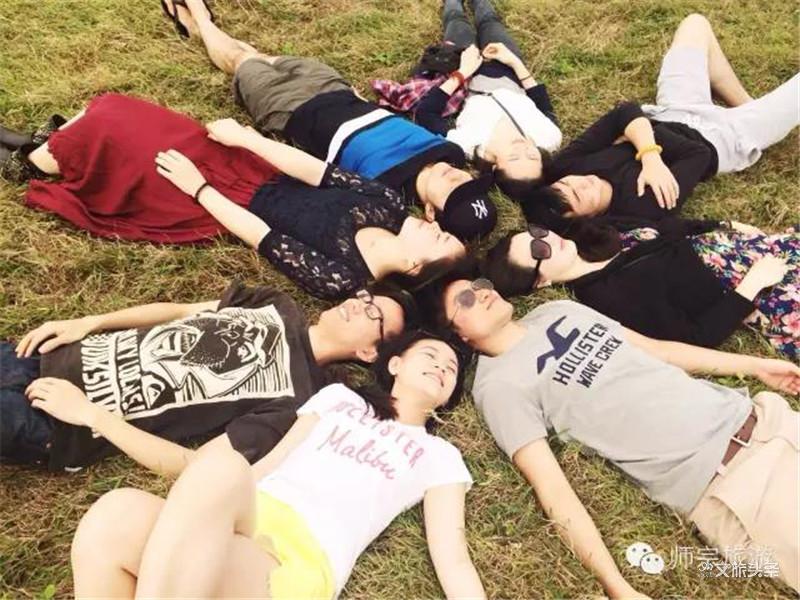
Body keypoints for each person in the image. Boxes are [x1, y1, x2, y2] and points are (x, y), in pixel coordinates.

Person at [422, 268, 800, 594]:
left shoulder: (558, 310)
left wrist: (753, 366)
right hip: (730, 485)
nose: (482, 293)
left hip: (766, 420)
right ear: (459, 336)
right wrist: (618, 586)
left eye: (479, 284)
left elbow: (657, 351)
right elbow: (552, 489)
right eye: (465, 300)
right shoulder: (499, 387)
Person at [68, 331, 485, 600]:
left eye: (450, 370)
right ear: (395, 365)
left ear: (447, 397)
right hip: (243, 520)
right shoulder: (339, 399)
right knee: (116, 513)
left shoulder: (439, 456)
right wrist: (207, 507)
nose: (441, 367)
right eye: (430, 355)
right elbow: (274, 461)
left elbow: (452, 557)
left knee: (220, 470)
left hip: (295, 561)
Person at [0, 95, 465, 300]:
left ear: (415, 267)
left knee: (120, 142)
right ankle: (44, 149)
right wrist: (247, 139)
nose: (435, 225)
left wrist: (198, 187)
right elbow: (316, 172)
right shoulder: (388, 205)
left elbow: (261, 236)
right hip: (252, 168)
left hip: (225, 204)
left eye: (440, 239)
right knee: (117, 111)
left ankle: (33, 158)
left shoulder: (344, 279)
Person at [168, 0, 498, 241]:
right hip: (337, 90)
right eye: (469, 182)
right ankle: (197, 28)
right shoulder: (450, 153)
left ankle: (199, 15)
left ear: (430, 213)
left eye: (454, 192)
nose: (457, 177)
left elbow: (313, 175)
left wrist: (250, 141)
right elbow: (424, 113)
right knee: (259, 57)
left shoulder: (385, 192)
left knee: (241, 60)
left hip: (294, 110)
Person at [2, 280, 414, 473]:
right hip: (48, 355)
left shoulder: (296, 403)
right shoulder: (275, 304)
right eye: (365, 297)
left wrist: (90, 415)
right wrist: (89, 322)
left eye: (373, 313)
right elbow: (180, 311)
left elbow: (196, 468)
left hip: (58, 422)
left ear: (369, 352)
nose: (358, 304)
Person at [521, 14, 799, 224]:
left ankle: (750, 106)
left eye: (567, 183)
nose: (581, 183)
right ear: (586, 219)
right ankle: (756, 115)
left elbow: (624, 111)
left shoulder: (567, 167)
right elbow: (698, 154)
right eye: (579, 196)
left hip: (673, 109)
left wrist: (651, 156)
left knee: (695, 24)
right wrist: (639, 133)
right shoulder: (639, 207)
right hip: (726, 139)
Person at [481, 219, 799, 357]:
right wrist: (752, 286)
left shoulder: (595, 237)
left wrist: (720, 225)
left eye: (538, 232)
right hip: (762, 285)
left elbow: (668, 227)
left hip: (756, 248)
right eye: (539, 250)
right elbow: (693, 338)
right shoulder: (606, 299)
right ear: (541, 282)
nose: (549, 239)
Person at [413, 0, 562, 192]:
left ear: (494, 167)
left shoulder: (468, 144)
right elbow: (542, 102)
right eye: (533, 157)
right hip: (508, 69)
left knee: (456, 20)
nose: (522, 149)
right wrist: (514, 62)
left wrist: (462, 72)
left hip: (467, 71)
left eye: (514, 157)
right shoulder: (549, 138)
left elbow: (425, 113)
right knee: (490, 21)